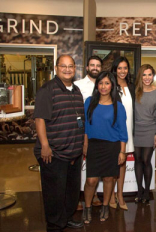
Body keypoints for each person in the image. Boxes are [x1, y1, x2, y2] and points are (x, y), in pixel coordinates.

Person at [34, 55, 85, 231]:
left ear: (75, 68)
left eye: (71, 66)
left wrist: (81, 144)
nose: (67, 69)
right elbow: (40, 119)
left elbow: (79, 119)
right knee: (54, 193)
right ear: (56, 68)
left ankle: (66, 217)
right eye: (63, 66)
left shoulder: (76, 90)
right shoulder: (47, 90)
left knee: (71, 191)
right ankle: (55, 225)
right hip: (54, 153)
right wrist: (45, 146)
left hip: (73, 152)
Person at [83, 71, 128, 222]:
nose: (103, 86)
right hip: (94, 146)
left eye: (107, 83)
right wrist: (85, 143)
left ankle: (105, 206)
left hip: (112, 146)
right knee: (91, 181)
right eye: (101, 83)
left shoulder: (118, 107)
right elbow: (85, 126)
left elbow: (123, 131)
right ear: (97, 85)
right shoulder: (89, 102)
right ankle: (87, 208)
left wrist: (122, 151)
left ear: (112, 86)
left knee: (109, 178)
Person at [74, 55, 103, 209]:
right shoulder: (77, 85)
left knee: (94, 166)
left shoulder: (105, 85)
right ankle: (76, 197)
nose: (95, 68)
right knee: (78, 166)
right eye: (92, 65)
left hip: (98, 133)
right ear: (87, 68)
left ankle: (95, 194)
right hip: (80, 132)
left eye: (98, 65)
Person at [109, 56, 135, 211]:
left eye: (125, 68)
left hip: (129, 132)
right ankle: (111, 194)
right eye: (119, 68)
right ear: (115, 69)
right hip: (114, 131)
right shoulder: (110, 86)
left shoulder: (131, 86)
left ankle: (120, 195)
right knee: (113, 164)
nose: (122, 71)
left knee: (123, 163)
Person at [134, 64, 156, 203]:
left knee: (146, 160)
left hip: (150, 129)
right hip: (135, 130)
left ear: (153, 76)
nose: (147, 78)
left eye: (149, 74)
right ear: (140, 76)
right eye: (144, 74)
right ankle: (139, 190)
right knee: (138, 160)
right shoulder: (135, 91)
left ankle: (146, 192)